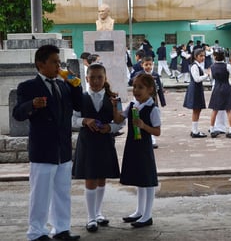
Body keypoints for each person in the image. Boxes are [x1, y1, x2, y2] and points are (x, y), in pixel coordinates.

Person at [13, 45, 82, 241]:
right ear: (40, 64)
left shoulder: (62, 86)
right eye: (54, 62)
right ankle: (37, 231)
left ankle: (61, 228)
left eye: (59, 62)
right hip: (43, 148)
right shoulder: (28, 87)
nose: (57, 66)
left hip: (63, 148)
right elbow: (18, 113)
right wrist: (32, 105)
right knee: (41, 194)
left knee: (63, 192)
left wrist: (75, 84)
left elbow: (79, 105)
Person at [72, 63, 124, 232]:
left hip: (105, 142)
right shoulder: (80, 98)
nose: (95, 81)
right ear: (86, 79)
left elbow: (120, 122)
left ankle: (99, 212)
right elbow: (72, 120)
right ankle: (90, 217)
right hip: (87, 142)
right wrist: (85, 121)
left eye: (99, 77)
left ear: (105, 78)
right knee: (90, 177)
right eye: (92, 77)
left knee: (102, 177)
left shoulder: (114, 98)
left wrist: (110, 128)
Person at [117, 74, 161, 228]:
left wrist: (143, 126)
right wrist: (113, 105)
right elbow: (119, 118)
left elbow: (157, 131)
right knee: (139, 180)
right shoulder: (132, 105)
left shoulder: (152, 108)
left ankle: (147, 215)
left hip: (144, 147)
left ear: (150, 90)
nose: (136, 90)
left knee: (147, 180)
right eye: (134, 86)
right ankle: (139, 211)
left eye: (140, 87)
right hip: (132, 145)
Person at [135, 56, 166, 148]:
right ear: (142, 65)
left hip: (153, 101)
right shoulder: (139, 74)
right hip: (141, 101)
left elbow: (159, 88)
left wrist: (162, 101)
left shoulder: (156, 75)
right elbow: (132, 83)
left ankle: (152, 139)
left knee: (152, 120)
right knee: (142, 119)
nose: (148, 66)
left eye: (150, 64)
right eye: (146, 65)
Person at [209, 49, 231, 138]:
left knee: (215, 110)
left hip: (217, 88)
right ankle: (230, 130)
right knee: (228, 110)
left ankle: (212, 129)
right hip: (226, 87)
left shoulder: (212, 67)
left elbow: (211, 78)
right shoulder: (227, 66)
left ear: (215, 56)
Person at [183, 49, 210, 138]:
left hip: (197, 88)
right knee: (196, 110)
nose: (203, 58)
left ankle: (195, 130)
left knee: (198, 109)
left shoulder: (197, 65)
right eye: (201, 56)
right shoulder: (194, 66)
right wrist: (206, 75)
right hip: (195, 88)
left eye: (204, 56)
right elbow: (197, 79)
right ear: (195, 56)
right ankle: (194, 131)